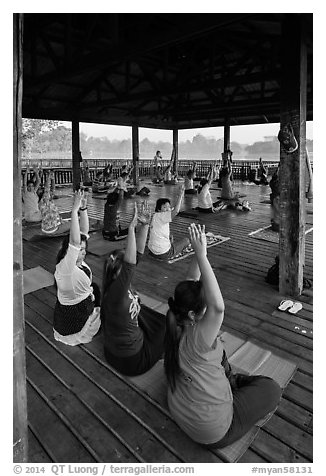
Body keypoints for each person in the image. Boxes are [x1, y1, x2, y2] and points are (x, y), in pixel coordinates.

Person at [164, 223, 282, 448]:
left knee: (220, 352)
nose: (209, 309)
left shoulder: (174, 320)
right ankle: (234, 382)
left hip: (181, 410)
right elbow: (218, 307)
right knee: (271, 389)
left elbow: (191, 281)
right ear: (193, 314)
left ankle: (230, 381)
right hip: (212, 430)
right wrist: (201, 255)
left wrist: (199, 253)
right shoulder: (199, 337)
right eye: (204, 307)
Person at [101, 202, 166, 376]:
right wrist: (131, 229)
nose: (132, 264)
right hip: (132, 361)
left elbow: (135, 256)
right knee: (167, 328)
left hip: (116, 352)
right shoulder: (116, 292)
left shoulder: (113, 283)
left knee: (154, 317)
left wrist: (144, 225)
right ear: (119, 272)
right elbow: (130, 264)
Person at [53, 190, 101, 346]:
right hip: (73, 325)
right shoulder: (66, 267)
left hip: (80, 305)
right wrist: (74, 210)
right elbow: (75, 241)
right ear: (69, 250)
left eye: (84, 248)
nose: (84, 251)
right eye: (80, 250)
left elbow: (82, 234)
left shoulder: (75, 263)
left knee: (97, 289)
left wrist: (83, 209)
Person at [148, 184, 190, 260]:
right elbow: (176, 211)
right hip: (163, 253)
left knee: (170, 237)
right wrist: (180, 195)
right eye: (164, 207)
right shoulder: (163, 216)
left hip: (151, 251)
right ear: (159, 209)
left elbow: (173, 209)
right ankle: (170, 251)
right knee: (186, 240)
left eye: (168, 207)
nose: (167, 209)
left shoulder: (155, 215)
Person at [38, 171, 71, 235]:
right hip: (51, 229)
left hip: (46, 228)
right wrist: (48, 178)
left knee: (67, 222)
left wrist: (52, 179)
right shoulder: (44, 201)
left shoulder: (47, 202)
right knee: (74, 224)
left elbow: (52, 189)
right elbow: (47, 188)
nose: (50, 193)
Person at [269, 165, 280, 231]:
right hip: (276, 198)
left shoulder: (272, 183)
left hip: (274, 197)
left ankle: (275, 223)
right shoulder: (275, 184)